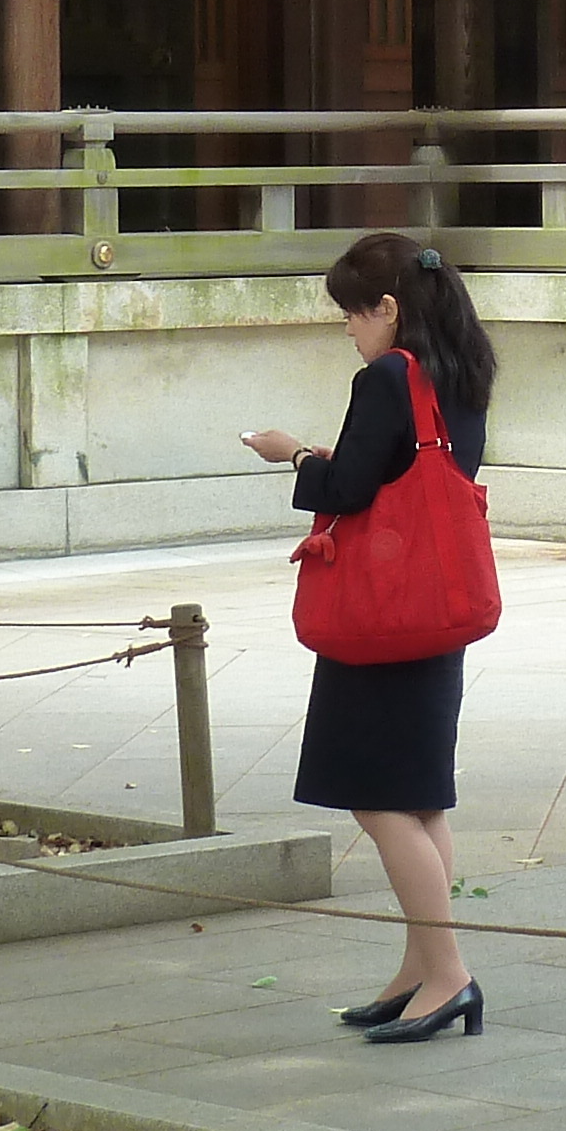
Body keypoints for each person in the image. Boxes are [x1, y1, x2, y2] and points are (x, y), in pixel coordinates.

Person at [242, 232, 495, 1045]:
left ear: (388, 309)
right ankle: (421, 967)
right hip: (437, 603)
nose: (349, 330)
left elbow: (353, 485)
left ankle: (448, 971)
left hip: (381, 614)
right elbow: (406, 476)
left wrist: (293, 457)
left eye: (353, 314)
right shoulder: (461, 373)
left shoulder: (388, 377)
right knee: (420, 795)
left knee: (377, 796)